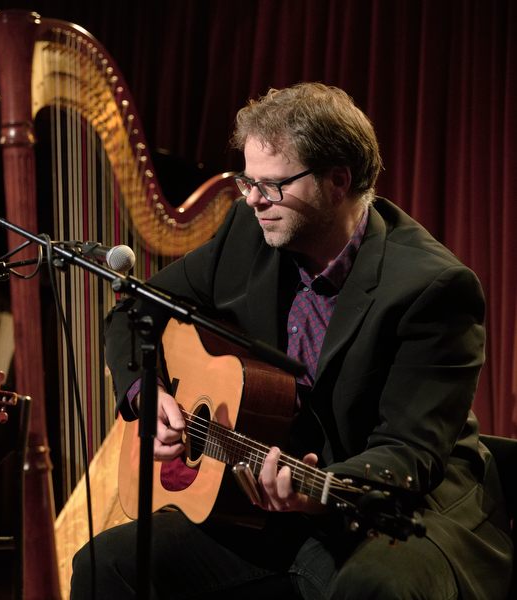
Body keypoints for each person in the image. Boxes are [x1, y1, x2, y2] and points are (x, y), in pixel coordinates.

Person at [71, 83, 512, 599]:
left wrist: (315, 492)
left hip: (392, 512)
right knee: (105, 564)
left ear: (338, 181)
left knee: (373, 587)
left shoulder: (432, 287)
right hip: (264, 510)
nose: (253, 199)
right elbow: (136, 308)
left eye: (273, 185)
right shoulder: (246, 233)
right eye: (247, 181)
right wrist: (145, 395)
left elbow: (409, 453)